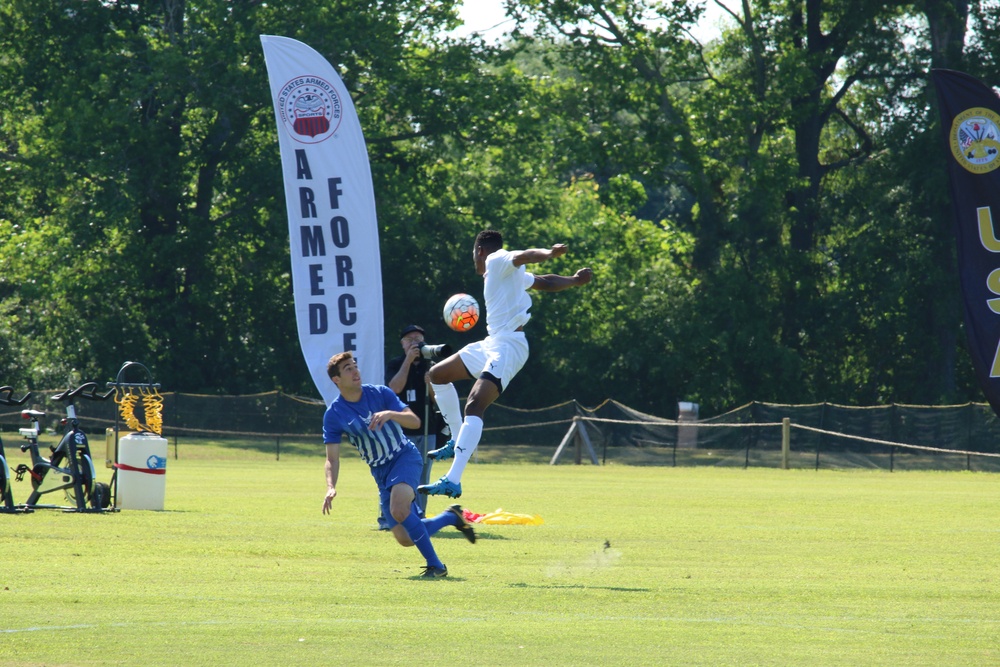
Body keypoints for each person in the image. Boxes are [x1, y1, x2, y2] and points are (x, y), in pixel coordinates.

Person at [418, 230, 593, 499]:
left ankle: (453, 480)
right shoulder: (503, 274)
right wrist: (575, 281)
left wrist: (549, 253)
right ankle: (455, 439)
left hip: (510, 346)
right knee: (437, 375)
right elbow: (545, 282)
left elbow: (524, 256)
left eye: (473, 253)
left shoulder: (496, 259)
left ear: (479, 250)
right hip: (492, 342)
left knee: (475, 405)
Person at [322, 351, 476, 578]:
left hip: (404, 457)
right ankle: (451, 517)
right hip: (380, 472)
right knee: (405, 539)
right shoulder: (334, 414)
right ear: (336, 379)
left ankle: (437, 567)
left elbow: (414, 421)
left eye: (355, 365)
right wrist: (330, 486)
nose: (355, 371)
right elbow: (331, 458)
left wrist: (391, 414)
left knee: (398, 509)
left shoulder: (381, 393)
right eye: (348, 369)